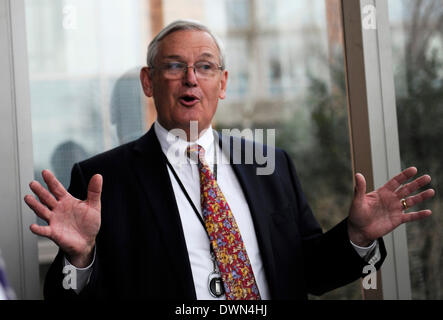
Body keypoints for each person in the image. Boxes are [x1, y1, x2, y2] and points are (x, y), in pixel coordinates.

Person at [24, 20, 435, 300]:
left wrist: (357, 236)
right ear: (148, 82)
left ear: (222, 84)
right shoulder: (103, 179)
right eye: (174, 66)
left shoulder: (271, 164)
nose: (191, 78)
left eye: (205, 67)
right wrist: (80, 259)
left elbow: (310, 272)